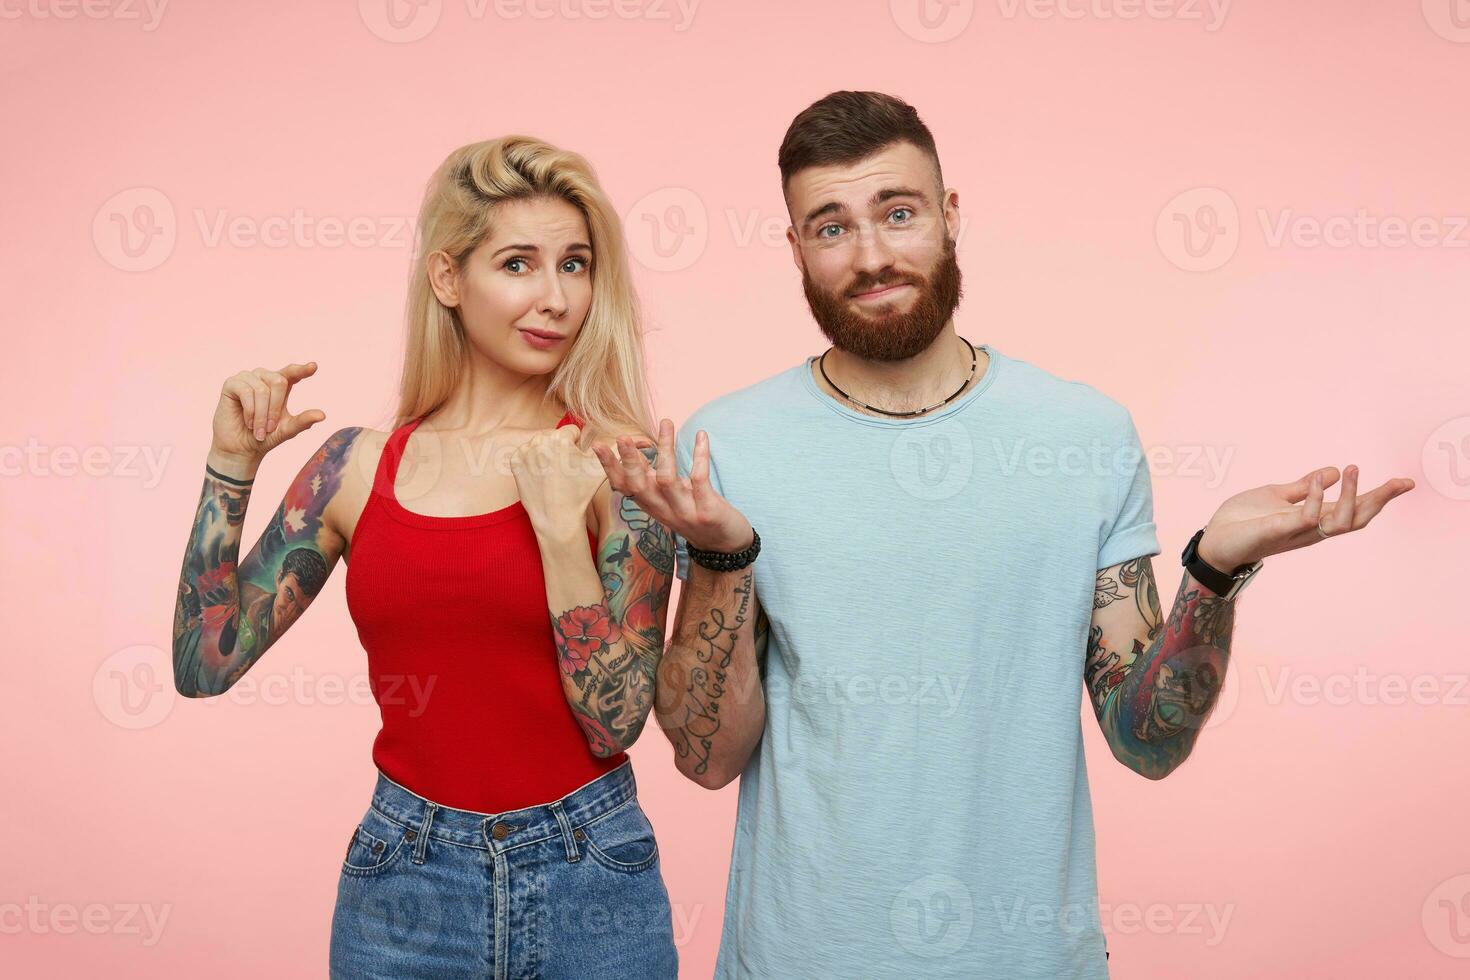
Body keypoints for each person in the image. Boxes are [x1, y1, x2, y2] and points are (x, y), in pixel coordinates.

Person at [592, 91, 1415, 978]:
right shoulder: (731, 447)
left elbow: (1148, 742)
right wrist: (722, 554)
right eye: (830, 229)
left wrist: (1215, 569)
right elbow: (708, 761)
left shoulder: (1082, 437)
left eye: (898, 213)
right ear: (795, 250)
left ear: (950, 217)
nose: (871, 256)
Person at [171, 136, 680, 979]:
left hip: (592, 874)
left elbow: (615, 720)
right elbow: (204, 662)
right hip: (406, 881)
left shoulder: (615, 464)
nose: (555, 298)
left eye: (576, 265)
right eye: (518, 264)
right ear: (449, 278)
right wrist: (231, 465)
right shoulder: (353, 467)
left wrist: (559, 535)